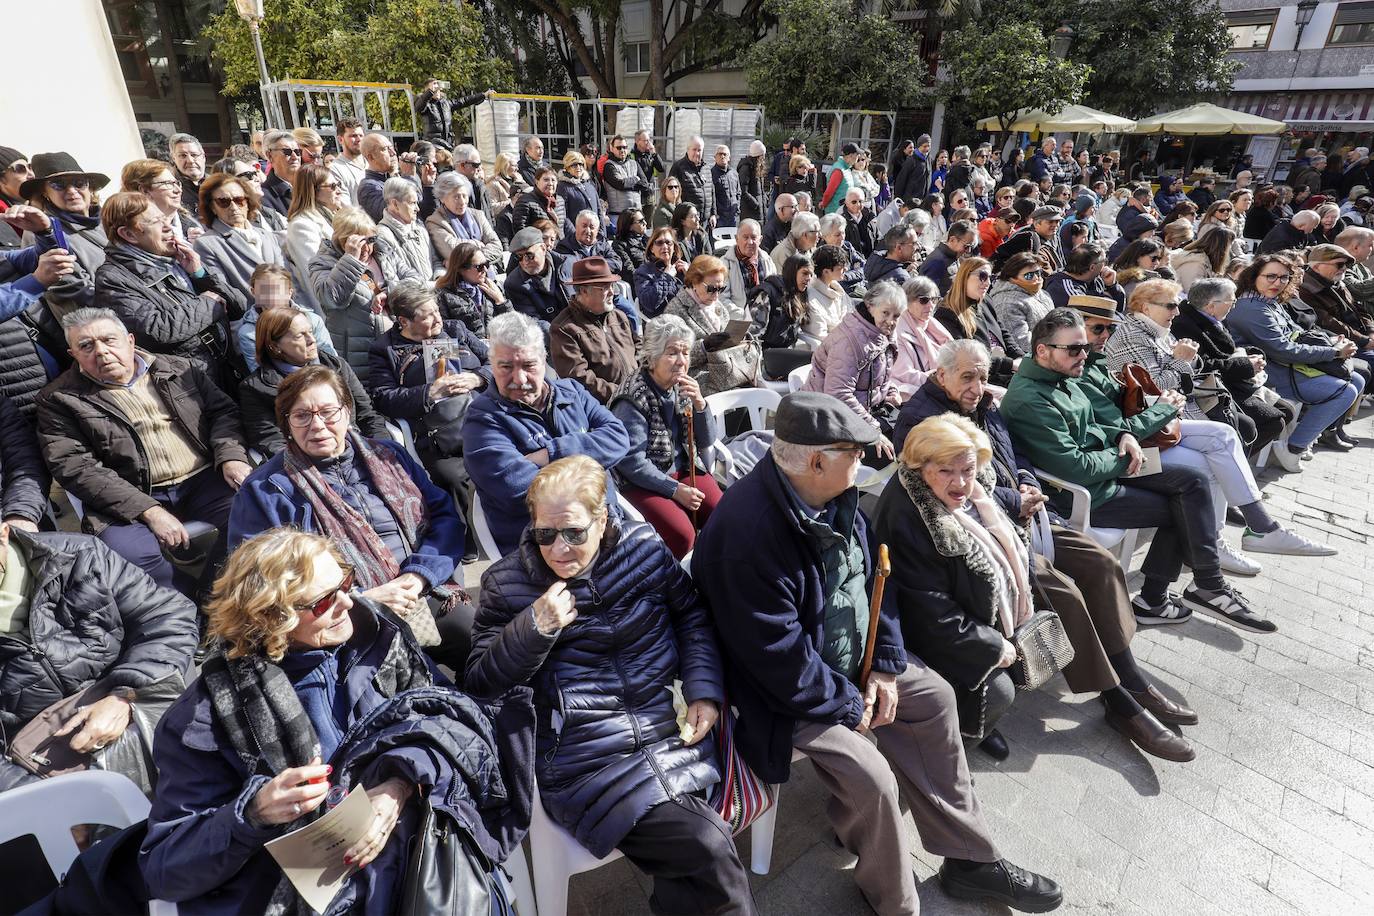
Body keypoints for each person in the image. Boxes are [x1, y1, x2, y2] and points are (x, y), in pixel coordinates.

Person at [692, 391, 1063, 915]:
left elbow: (876, 586)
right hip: (782, 693)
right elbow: (775, 659)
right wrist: (851, 704)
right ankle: (895, 901)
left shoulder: (836, 495)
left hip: (850, 663)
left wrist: (887, 666)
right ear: (817, 460)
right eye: (855, 452)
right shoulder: (748, 534)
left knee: (934, 697)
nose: (866, 460)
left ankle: (969, 860)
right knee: (873, 776)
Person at [142, 529, 532, 913]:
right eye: (323, 601)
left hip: (426, 859)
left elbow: (452, 722)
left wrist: (399, 784)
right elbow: (165, 871)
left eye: (346, 581)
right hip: (312, 892)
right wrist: (254, 813)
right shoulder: (206, 717)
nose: (348, 601)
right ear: (270, 616)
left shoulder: (378, 638)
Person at [465, 455, 752, 913]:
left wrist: (703, 689)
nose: (558, 548)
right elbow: (480, 684)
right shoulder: (507, 584)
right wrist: (532, 628)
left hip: (671, 727)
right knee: (708, 844)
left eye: (573, 532)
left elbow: (691, 615)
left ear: (602, 521)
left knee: (699, 853)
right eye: (545, 534)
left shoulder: (642, 546)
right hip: (587, 760)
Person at [890, 345, 1198, 762]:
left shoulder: (984, 404)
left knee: (1102, 564)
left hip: (1021, 515)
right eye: (967, 378)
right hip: (988, 528)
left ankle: (1129, 675)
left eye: (982, 377)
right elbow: (946, 493)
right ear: (940, 375)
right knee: (1062, 592)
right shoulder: (921, 420)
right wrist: (1013, 501)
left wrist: (1025, 482)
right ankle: (1118, 699)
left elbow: (1013, 452)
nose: (978, 388)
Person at [1003, 308, 1276, 632]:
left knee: (1194, 482)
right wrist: (1126, 455)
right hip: (1084, 494)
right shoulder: (1032, 399)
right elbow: (1076, 467)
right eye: (1074, 349)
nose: (1084, 354)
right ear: (1042, 351)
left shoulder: (1065, 374)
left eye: (1085, 347)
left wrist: (1124, 436)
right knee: (1185, 504)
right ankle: (1179, 593)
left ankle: (1192, 589)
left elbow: (1098, 423)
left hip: (1109, 468)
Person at [229, 365, 474, 668]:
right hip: (338, 617)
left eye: (328, 412)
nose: (317, 426)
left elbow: (444, 518)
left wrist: (419, 574)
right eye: (302, 415)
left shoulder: (389, 455)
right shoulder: (265, 490)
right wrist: (359, 601)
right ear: (286, 423)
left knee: (482, 645)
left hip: (422, 590)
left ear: (347, 411)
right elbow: (260, 582)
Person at [38, 309, 249, 595]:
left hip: (203, 479)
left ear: (130, 340)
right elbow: (75, 467)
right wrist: (148, 510)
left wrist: (231, 456)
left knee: (249, 518)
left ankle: (218, 598)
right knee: (132, 558)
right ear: (73, 354)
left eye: (109, 340)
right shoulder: (60, 399)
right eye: (86, 346)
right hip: (128, 495)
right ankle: (187, 612)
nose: (101, 352)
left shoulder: (178, 369)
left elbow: (223, 412)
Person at [0, 521, 198, 796]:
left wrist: (125, 696)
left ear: (3, 532)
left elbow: (167, 615)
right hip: (47, 768)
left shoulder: (79, 555)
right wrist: (52, 800)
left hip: (149, 711)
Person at [462, 312, 630, 554]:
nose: (519, 379)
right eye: (505, 367)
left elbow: (618, 437)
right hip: (543, 547)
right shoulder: (481, 419)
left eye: (528, 365)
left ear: (544, 360)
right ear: (492, 366)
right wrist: (593, 462)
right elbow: (518, 487)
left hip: (608, 529)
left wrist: (549, 454)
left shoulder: (572, 392)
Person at [95, 191, 247, 390]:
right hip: (189, 385)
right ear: (128, 234)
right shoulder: (112, 278)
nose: (168, 227)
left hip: (225, 368)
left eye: (165, 219)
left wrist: (199, 274)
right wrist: (207, 303)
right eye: (156, 222)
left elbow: (238, 305)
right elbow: (156, 329)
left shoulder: (175, 257)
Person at [1227, 253, 1366, 464]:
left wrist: (1331, 340)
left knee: (1357, 379)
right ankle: (1293, 447)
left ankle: (1307, 434)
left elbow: (1297, 332)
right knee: (1345, 390)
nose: (1278, 282)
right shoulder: (1251, 307)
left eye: (1284, 278)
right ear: (1255, 276)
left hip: (1285, 364)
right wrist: (1334, 352)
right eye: (1271, 276)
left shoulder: (1269, 300)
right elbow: (1283, 349)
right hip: (1267, 370)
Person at [606, 316, 722, 558]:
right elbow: (631, 462)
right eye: (672, 353)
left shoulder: (682, 386)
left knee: (723, 513)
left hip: (682, 467)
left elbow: (706, 441)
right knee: (683, 535)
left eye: (686, 353)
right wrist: (674, 489)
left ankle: (715, 566)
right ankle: (675, 581)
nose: (681, 361)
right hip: (642, 481)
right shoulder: (633, 398)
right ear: (652, 356)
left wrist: (700, 405)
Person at [1170, 277, 1295, 456]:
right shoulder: (1185, 325)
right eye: (1231, 300)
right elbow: (1203, 366)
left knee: (1287, 411)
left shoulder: (1210, 316)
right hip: (1212, 387)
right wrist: (1245, 365)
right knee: (1273, 422)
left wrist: (1249, 356)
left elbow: (1225, 350)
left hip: (1231, 379)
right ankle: (1231, 462)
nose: (1234, 304)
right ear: (1211, 305)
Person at [240, 307, 387, 455]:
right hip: (307, 464)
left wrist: (384, 451)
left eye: (310, 331)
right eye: (300, 336)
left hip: (356, 451)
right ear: (275, 346)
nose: (312, 340)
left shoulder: (337, 366)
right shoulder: (256, 388)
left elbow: (368, 415)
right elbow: (270, 439)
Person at [802, 279, 907, 467]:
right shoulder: (848, 342)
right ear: (869, 306)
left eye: (896, 316)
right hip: (830, 418)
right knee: (901, 451)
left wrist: (890, 392)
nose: (891, 321)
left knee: (916, 430)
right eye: (885, 313)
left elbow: (880, 376)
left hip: (864, 413)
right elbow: (838, 394)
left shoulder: (882, 333)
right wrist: (873, 429)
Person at [309, 206, 422, 379]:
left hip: (398, 344)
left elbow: (416, 280)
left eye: (371, 239)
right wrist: (351, 259)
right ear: (343, 239)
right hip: (359, 355)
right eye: (360, 241)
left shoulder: (382, 252)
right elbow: (331, 299)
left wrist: (390, 293)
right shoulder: (324, 261)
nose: (367, 247)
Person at [19, 152, 110, 316]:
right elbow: (69, 286)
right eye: (58, 184)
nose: (72, 191)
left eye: (79, 183)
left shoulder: (109, 220)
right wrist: (127, 302)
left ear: (90, 187)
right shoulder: (41, 231)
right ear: (44, 192)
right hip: (96, 323)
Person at [549, 257, 637, 403]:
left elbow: (639, 348)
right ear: (584, 291)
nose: (612, 293)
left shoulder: (618, 315)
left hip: (637, 395)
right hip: (605, 406)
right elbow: (579, 379)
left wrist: (644, 383)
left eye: (612, 286)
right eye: (605, 288)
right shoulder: (564, 328)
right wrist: (622, 394)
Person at [193, 172, 286, 305]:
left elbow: (286, 277)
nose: (234, 207)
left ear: (247, 202)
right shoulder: (207, 244)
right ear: (212, 207)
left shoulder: (266, 235)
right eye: (223, 202)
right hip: (250, 319)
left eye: (239, 200)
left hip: (286, 313)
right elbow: (225, 291)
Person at [235, 263, 336, 373]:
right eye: (264, 290)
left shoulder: (312, 321)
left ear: (289, 292)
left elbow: (331, 360)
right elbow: (262, 375)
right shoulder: (249, 334)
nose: (272, 296)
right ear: (253, 292)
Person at [938, 256, 1021, 387]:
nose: (987, 282)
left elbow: (1002, 331)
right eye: (982, 276)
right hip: (983, 377)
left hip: (1007, 369)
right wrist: (1010, 364)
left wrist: (1019, 356)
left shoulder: (986, 300)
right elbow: (966, 358)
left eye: (990, 277)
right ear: (964, 277)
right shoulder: (947, 313)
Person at [890, 275, 955, 397]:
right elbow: (904, 374)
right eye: (924, 300)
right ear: (907, 301)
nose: (931, 306)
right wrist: (946, 381)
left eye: (934, 299)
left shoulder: (933, 325)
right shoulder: (898, 332)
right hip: (924, 392)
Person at [432, 240, 509, 338]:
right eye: (479, 267)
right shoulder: (444, 295)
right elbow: (445, 334)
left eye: (486, 264)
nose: (485, 270)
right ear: (461, 269)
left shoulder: (493, 287)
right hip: (470, 351)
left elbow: (515, 326)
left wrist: (501, 301)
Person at [426, 171, 502, 268]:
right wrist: (477, 244)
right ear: (442, 198)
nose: (462, 202)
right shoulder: (435, 221)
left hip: (487, 273)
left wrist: (473, 260)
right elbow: (453, 251)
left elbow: (497, 246)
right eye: (456, 197)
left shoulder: (478, 215)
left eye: (464, 196)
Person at [120, 158, 201, 244]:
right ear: (145, 191)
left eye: (176, 183)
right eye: (168, 184)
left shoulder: (193, 227)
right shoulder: (138, 236)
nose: (178, 190)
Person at [987, 251, 1055, 353]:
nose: (1037, 278)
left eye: (1038, 272)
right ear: (1013, 278)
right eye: (1029, 275)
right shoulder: (1006, 303)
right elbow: (1021, 342)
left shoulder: (1040, 292)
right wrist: (1053, 352)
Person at [503, 226, 570, 328]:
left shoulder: (567, 265)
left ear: (543, 248)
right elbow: (534, 323)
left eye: (529, 255)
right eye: (519, 257)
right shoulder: (514, 284)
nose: (525, 262)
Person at [374, 176, 437, 280]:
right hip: (414, 295)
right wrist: (432, 286)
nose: (417, 208)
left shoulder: (420, 229)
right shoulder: (382, 236)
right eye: (412, 203)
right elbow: (395, 279)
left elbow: (435, 261)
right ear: (395, 204)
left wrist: (440, 277)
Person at [1043, 242, 1124, 312]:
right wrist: (1105, 296)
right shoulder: (1062, 287)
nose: (1105, 265)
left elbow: (1118, 308)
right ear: (1092, 267)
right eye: (1104, 261)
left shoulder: (1097, 279)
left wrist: (1112, 286)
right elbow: (1100, 313)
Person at [720, 218, 776, 314]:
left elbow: (774, 290)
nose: (750, 242)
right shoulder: (724, 264)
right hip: (738, 321)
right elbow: (722, 300)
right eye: (745, 237)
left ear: (760, 240)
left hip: (765, 317)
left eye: (754, 237)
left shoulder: (767, 260)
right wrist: (746, 317)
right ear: (737, 239)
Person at [635, 226, 689, 319]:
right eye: (659, 243)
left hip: (688, 318)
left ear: (674, 247)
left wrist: (691, 275)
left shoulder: (682, 266)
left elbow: (703, 294)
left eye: (668, 243)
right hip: (662, 323)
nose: (665, 247)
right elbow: (649, 302)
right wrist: (667, 277)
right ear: (652, 248)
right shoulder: (643, 272)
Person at [804, 244, 855, 342]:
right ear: (826, 272)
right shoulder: (811, 299)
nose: (846, 269)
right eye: (840, 268)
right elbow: (820, 335)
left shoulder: (838, 290)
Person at [509, 165, 571, 239]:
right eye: (546, 180)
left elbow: (563, 228)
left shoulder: (559, 201)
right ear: (537, 181)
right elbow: (520, 232)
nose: (550, 183)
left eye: (553, 180)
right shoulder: (525, 202)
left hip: (559, 247)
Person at [670, 136, 717, 231]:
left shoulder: (706, 168)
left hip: (705, 222)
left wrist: (713, 214)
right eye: (694, 149)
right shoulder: (679, 167)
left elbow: (711, 191)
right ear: (688, 150)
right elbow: (671, 193)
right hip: (688, 221)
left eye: (699, 150)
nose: (697, 153)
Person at [1171, 225, 1235, 294]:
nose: (1230, 249)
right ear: (1222, 247)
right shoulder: (1195, 264)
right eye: (1230, 245)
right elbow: (1193, 294)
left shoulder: (1207, 261)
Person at [919, 219, 975, 296]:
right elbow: (927, 297)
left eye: (971, 247)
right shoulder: (937, 262)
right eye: (966, 246)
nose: (968, 251)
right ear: (952, 240)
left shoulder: (953, 257)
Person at [556, 151, 605, 237]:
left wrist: (602, 233)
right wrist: (575, 236)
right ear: (567, 167)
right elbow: (563, 216)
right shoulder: (562, 186)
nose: (578, 167)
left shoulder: (589, 184)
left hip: (594, 236)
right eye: (574, 165)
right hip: (576, 237)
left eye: (581, 164)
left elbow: (598, 210)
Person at [864, 222, 920, 288]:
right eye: (914, 243)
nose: (918, 247)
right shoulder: (901, 279)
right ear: (899, 248)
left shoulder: (874, 261)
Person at [259, 130, 301, 216]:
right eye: (287, 152)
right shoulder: (264, 197)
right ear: (269, 155)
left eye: (297, 152)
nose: (295, 157)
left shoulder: (311, 185)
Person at [168, 133, 205, 221]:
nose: (190, 161)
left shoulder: (218, 183)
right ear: (174, 158)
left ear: (203, 156)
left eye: (194, 155)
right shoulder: (169, 189)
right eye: (183, 155)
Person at [612, 207, 649, 278]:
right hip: (641, 282)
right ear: (629, 226)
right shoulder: (619, 245)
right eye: (641, 221)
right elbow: (629, 272)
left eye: (644, 219)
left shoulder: (648, 240)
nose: (645, 223)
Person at [738, 140, 768, 223]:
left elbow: (759, 189)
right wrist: (756, 204)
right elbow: (743, 190)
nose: (764, 158)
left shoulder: (756, 167)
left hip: (758, 209)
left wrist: (764, 199)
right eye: (763, 155)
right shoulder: (746, 168)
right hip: (751, 210)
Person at [711, 145, 741, 228]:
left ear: (729, 157)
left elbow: (738, 192)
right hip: (720, 218)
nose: (722, 156)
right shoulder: (711, 174)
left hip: (733, 217)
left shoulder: (734, 173)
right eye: (720, 154)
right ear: (715, 157)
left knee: (733, 241)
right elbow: (710, 197)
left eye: (725, 154)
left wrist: (737, 208)